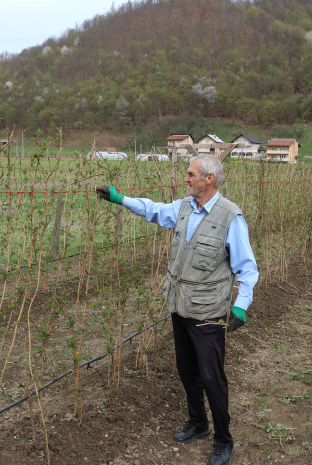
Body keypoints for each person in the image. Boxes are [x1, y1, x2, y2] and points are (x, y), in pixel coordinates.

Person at [97, 154, 258, 465]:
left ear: (209, 179)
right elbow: (154, 210)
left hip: (209, 313)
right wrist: (121, 199)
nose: (185, 179)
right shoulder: (184, 207)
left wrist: (241, 305)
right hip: (180, 307)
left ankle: (224, 440)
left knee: (212, 377)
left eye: (190, 174)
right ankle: (198, 423)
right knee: (186, 370)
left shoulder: (230, 218)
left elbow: (247, 268)